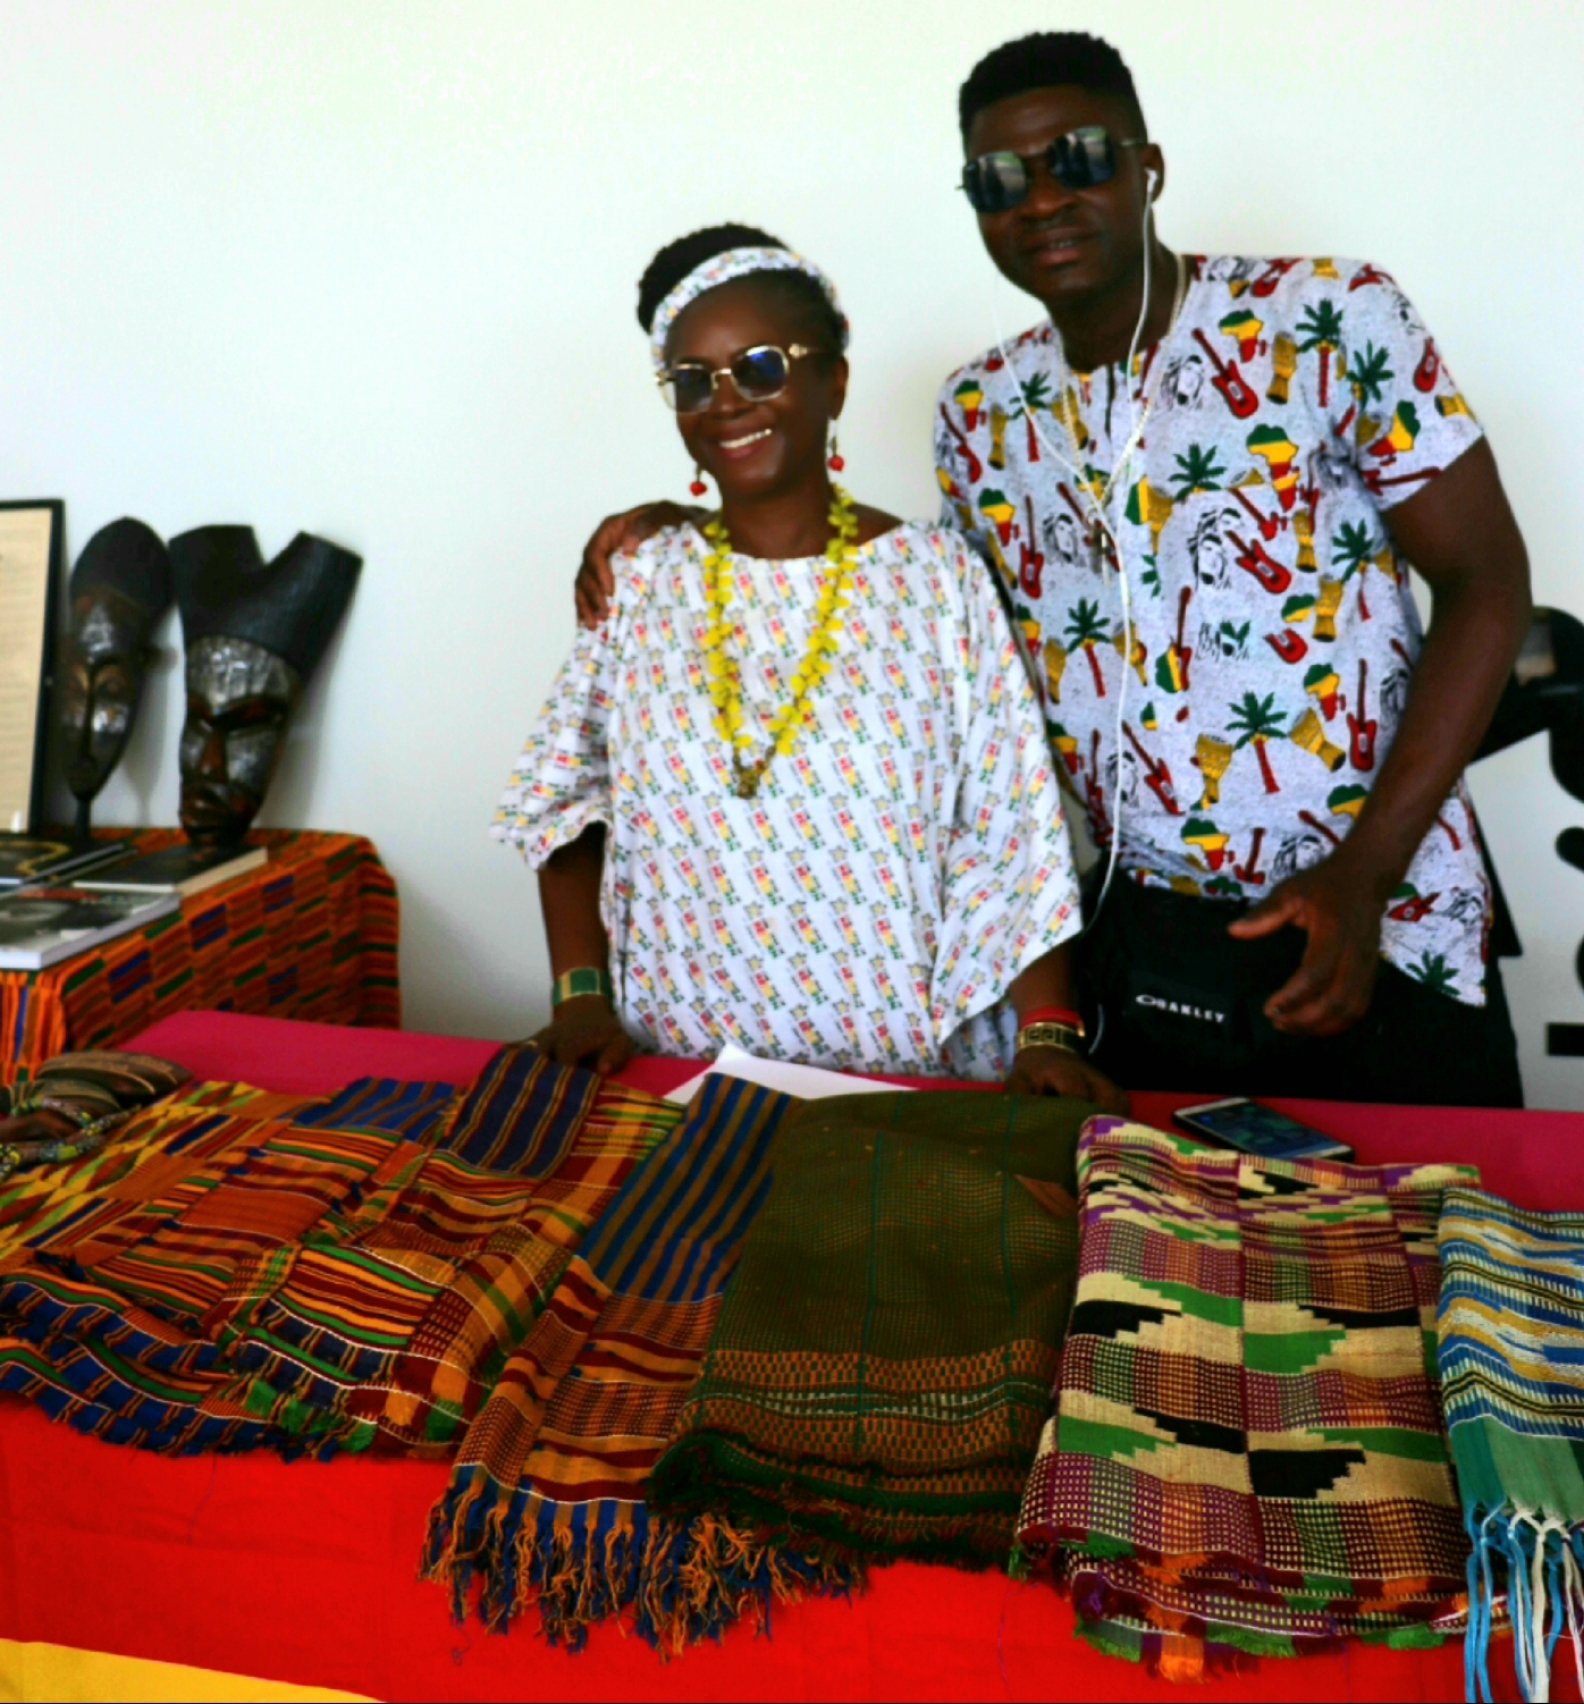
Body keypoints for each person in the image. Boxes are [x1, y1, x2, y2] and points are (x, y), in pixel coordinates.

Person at [573, 36, 1532, 1108]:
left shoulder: (1327, 316)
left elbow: (1490, 583)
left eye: (1078, 158)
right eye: (999, 179)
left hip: (1381, 919)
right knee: (1152, 1219)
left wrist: (1367, 871)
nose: (1040, 199)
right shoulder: (980, 412)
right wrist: (705, 517)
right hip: (1143, 951)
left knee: (1447, 1210)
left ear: (1147, 166)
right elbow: (941, 648)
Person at [497, 225, 1120, 1103]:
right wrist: (581, 999)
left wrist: (1049, 1033)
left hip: (911, 1073)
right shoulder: (638, 579)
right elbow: (565, 802)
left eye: (760, 367)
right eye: (693, 380)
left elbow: (1013, 825)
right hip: (680, 1072)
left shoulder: (937, 578)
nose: (726, 402)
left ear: (835, 380)